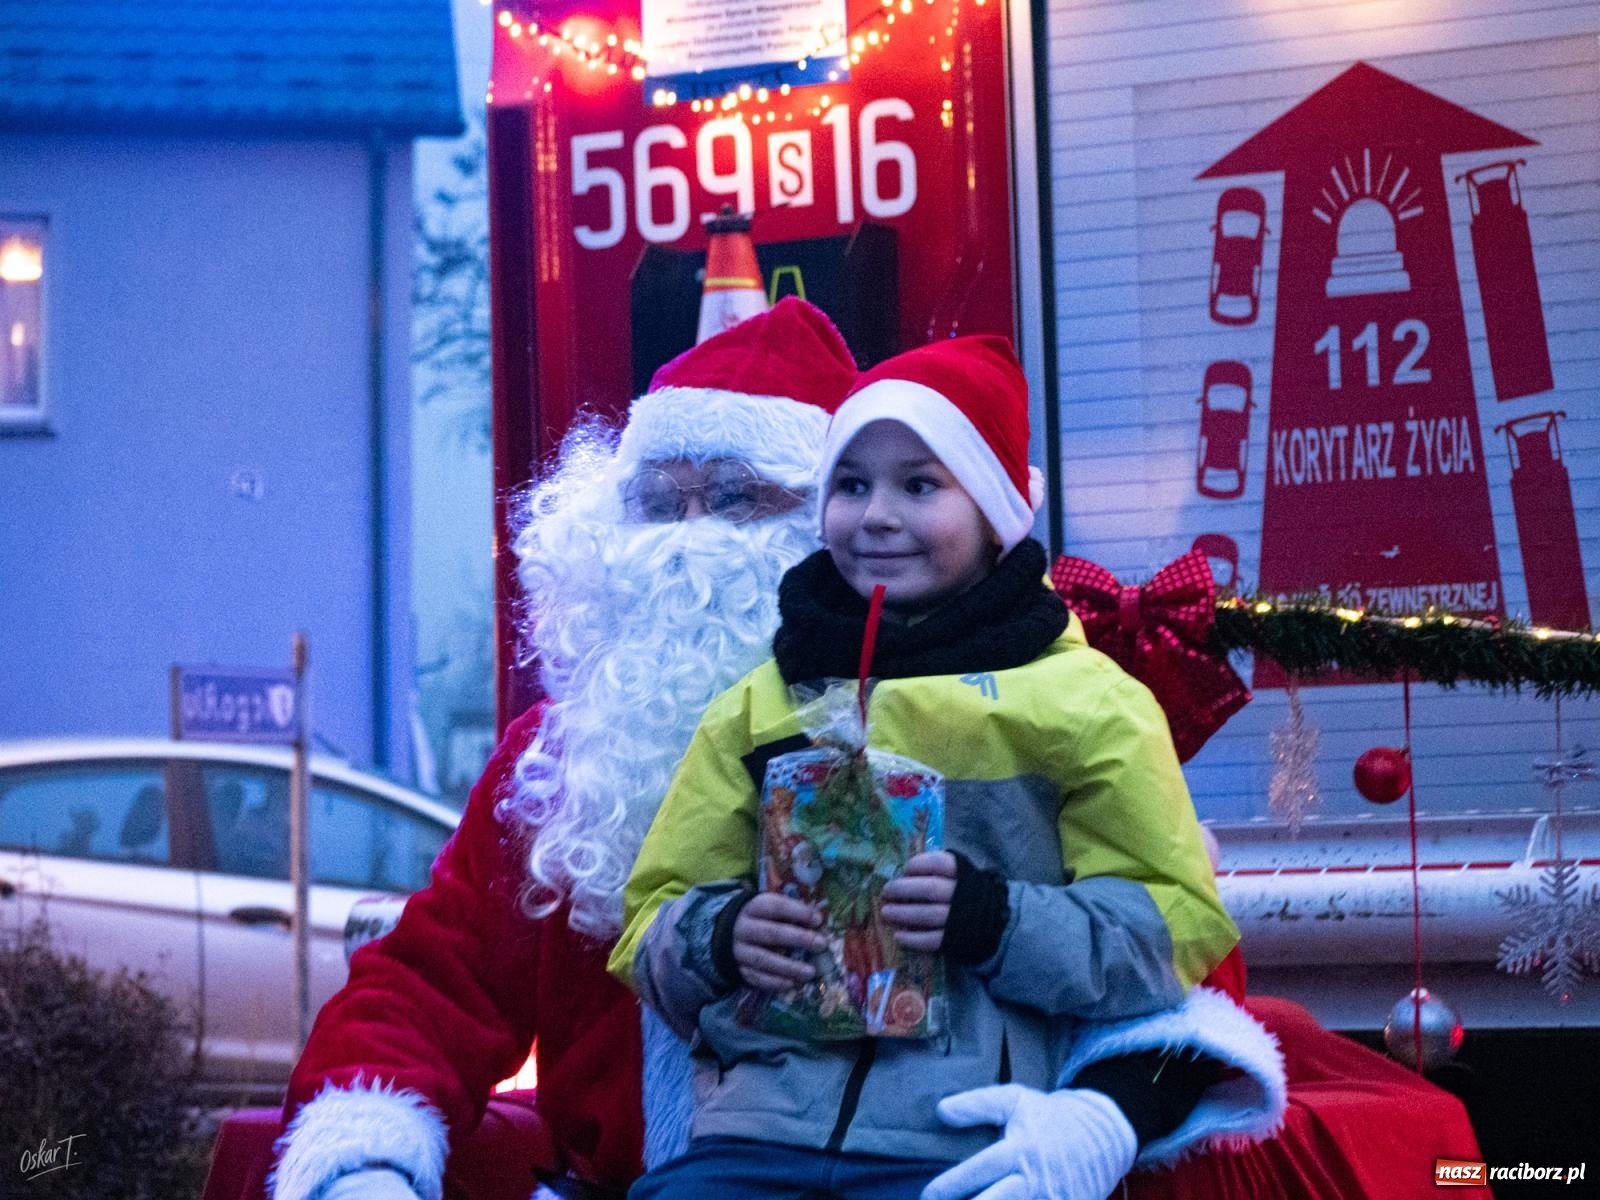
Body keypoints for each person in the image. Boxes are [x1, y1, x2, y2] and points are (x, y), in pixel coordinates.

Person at [610, 334, 1280, 1200]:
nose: (876, 516)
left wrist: (995, 920)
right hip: (752, 1137)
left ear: (997, 513)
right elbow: (651, 916)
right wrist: (721, 934)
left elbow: (1173, 926)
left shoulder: (1086, 703)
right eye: (851, 485)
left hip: (966, 1138)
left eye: (919, 484)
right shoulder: (759, 704)